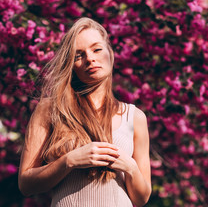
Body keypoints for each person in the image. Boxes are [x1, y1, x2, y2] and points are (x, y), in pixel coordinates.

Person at [18, 17, 151, 207]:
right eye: (78, 55)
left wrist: (130, 168)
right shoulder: (51, 109)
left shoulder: (135, 117)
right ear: (71, 65)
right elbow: (26, 184)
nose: (90, 58)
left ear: (110, 54)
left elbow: (142, 198)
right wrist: (69, 160)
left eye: (97, 49)